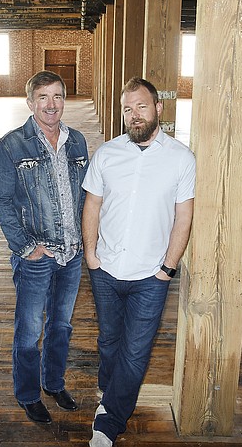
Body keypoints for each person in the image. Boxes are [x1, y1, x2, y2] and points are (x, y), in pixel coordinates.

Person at [81, 77, 196, 446]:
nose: (134, 115)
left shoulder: (181, 158)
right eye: (127, 109)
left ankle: (109, 423)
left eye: (141, 107)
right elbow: (93, 205)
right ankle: (108, 391)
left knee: (135, 352)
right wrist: (91, 254)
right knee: (109, 342)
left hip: (151, 276)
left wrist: (168, 267)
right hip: (106, 269)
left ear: (158, 109)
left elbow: (184, 215)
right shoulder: (107, 154)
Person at [0, 70, 89, 424]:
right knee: (30, 329)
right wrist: (26, 247)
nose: (52, 105)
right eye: (44, 97)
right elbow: (0, 201)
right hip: (36, 255)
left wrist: (86, 243)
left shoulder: (77, 141)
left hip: (72, 253)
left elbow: (87, 198)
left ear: (65, 100)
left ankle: (53, 383)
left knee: (62, 324)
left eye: (58, 96)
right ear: (31, 102)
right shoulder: (11, 145)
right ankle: (29, 394)